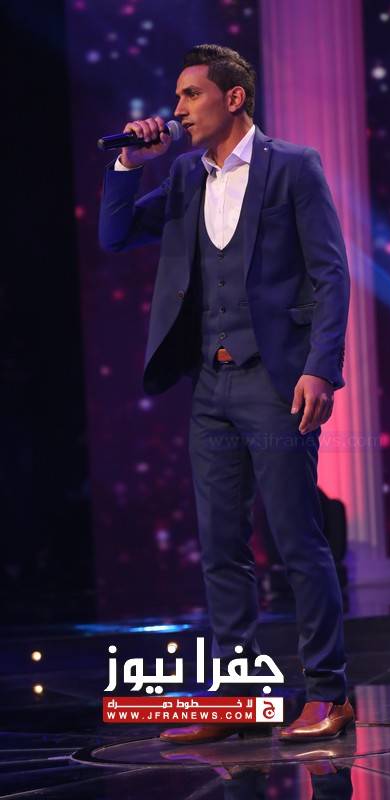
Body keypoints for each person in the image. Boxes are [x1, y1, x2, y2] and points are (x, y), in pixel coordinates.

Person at [99, 44, 353, 744]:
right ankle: (237, 698)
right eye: (176, 97)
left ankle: (328, 693)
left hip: (275, 382)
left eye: (191, 95)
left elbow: (330, 274)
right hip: (209, 385)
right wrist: (129, 163)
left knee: (297, 541)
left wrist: (320, 368)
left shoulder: (293, 167)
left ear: (233, 98)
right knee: (220, 546)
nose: (177, 109)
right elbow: (115, 235)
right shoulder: (184, 176)